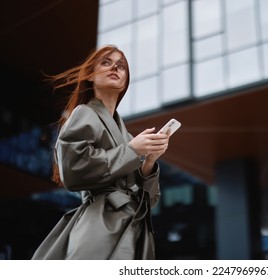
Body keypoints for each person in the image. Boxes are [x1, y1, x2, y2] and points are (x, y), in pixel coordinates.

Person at [31, 44, 169, 260]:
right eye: (106, 62)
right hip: (100, 224)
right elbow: (73, 170)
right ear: (90, 76)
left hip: (134, 228)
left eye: (121, 66)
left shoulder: (127, 137)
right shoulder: (84, 113)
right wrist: (132, 151)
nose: (115, 67)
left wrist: (149, 161)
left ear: (125, 81)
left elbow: (149, 201)